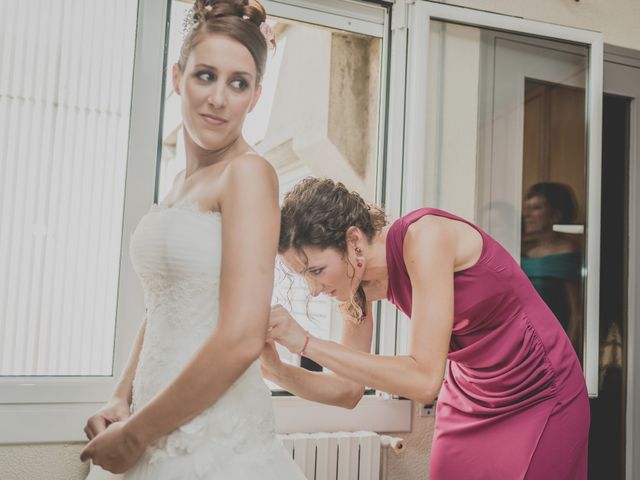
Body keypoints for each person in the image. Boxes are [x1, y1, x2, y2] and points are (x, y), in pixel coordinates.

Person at [80, 1, 304, 478]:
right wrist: (123, 397)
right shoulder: (181, 183)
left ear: (255, 96)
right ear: (177, 76)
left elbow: (243, 337)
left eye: (237, 83)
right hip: (150, 417)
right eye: (205, 75)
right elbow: (164, 305)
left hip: (213, 441)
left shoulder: (248, 174)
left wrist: (137, 433)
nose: (218, 99)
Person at [263, 177, 589, 479]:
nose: (314, 289)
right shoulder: (354, 287)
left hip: (538, 391)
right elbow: (347, 391)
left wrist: (306, 343)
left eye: (316, 270)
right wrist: (276, 370)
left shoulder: (425, 237)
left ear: (354, 240)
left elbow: (423, 380)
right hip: (471, 398)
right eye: (304, 276)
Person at [521, 182, 582, 353]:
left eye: (536, 208)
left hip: (551, 345)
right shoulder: (523, 250)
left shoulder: (566, 252)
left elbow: (577, 313)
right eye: (527, 208)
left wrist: (565, 354)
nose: (527, 215)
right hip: (520, 343)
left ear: (556, 215)